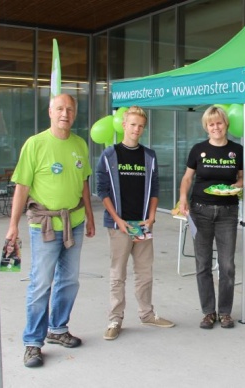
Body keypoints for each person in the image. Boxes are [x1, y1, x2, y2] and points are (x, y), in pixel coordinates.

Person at [5, 93, 95, 368]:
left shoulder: (80, 144)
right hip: (44, 225)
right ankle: (33, 343)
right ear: (50, 112)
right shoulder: (35, 144)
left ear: (75, 113)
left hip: (75, 223)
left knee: (69, 281)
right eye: (59, 108)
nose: (65, 113)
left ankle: (58, 329)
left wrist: (90, 217)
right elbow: (21, 187)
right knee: (41, 283)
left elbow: (83, 184)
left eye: (69, 108)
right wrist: (12, 227)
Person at [96, 106, 174, 340]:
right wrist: (117, 220)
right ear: (124, 125)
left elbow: (155, 189)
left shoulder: (149, 156)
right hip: (119, 224)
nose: (136, 129)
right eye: (132, 124)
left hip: (142, 224)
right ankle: (114, 320)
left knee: (145, 273)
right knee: (117, 274)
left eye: (140, 126)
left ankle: (147, 314)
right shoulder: (109, 155)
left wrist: (151, 216)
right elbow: (102, 190)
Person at [179, 106, 243, 329]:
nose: (216, 127)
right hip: (200, 211)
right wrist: (182, 198)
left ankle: (225, 312)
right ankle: (208, 312)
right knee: (203, 264)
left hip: (227, 212)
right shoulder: (198, 149)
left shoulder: (237, 150)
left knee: (227, 265)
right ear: (206, 127)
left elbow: (242, 179)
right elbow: (188, 178)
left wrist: (234, 187)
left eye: (219, 123)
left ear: (226, 124)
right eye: (211, 124)